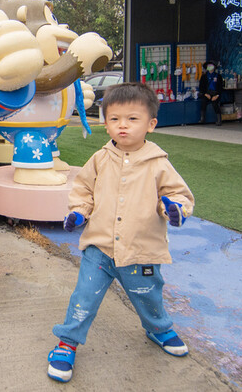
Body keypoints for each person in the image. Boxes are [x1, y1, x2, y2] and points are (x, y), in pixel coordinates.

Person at [46, 82, 195, 383]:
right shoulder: (100, 159)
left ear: (151, 124)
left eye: (132, 119)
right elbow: (83, 189)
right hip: (99, 248)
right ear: (105, 123)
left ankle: (159, 329)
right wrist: (78, 212)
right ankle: (67, 342)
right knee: (83, 298)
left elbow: (179, 196)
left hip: (140, 250)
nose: (122, 126)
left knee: (148, 295)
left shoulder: (159, 164)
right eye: (114, 119)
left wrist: (174, 209)